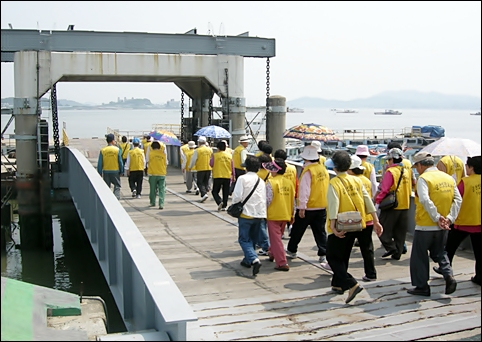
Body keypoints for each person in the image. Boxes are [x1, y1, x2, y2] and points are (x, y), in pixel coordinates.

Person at [326, 150, 383, 304]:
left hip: (340, 223)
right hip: (357, 222)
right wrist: (376, 220)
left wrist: (332, 225)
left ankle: (351, 284)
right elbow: (367, 200)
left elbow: (333, 204)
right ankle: (338, 285)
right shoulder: (358, 180)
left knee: (332, 256)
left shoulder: (334, 183)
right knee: (343, 255)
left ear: (335, 167)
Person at [408, 151, 461, 297]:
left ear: (420, 165)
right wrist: (449, 218)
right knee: (440, 252)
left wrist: (437, 217)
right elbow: (458, 199)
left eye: (416, 166)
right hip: (444, 226)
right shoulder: (448, 178)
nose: (416, 170)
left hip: (426, 224)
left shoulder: (424, 178)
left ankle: (422, 286)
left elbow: (425, 200)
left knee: (419, 256)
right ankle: (448, 276)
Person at [433, 155, 481, 286]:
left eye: (467, 166)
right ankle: (479, 277)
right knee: (479, 251)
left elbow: (454, 198)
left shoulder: (465, 182)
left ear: (471, 168)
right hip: (479, 223)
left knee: (449, 247)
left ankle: (445, 269)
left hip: (464, 221)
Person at [286, 145, 330, 271]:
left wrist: (301, 207)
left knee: (298, 230)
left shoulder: (308, 171)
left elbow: (305, 190)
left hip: (309, 206)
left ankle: (292, 249)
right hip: (321, 205)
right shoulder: (322, 169)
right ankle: (323, 253)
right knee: (320, 231)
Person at [232, 155, 267, 277]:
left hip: (246, 213)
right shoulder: (261, 181)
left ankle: (253, 259)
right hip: (259, 213)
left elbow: (237, 196)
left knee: (244, 239)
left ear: (246, 167)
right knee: (252, 238)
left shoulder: (242, 179)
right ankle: (247, 260)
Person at [375, 148, 412, 260]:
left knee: (381, 228)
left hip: (392, 205)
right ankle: (398, 252)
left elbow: (385, 189)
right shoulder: (406, 171)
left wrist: (378, 200)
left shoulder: (390, 172)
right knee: (400, 232)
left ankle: (391, 247)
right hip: (405, 204)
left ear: (391, 160)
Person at [347, 155, 378, 281]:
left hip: (353, 218)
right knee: (367, 248)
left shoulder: (350, 181)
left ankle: (341, 273)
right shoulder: (366, 180)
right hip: (368, 218)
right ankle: (371, 273)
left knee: (345, 248)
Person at [263, 158, 295, 271]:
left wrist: (262, 212)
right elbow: (293, 200)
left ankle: (282, 262)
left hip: (273, 214)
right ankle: (272, 252)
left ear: (276, 170)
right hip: (285, 213)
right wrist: (292, 214)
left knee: (276, 239)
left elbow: (267, 200)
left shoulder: (271, 182)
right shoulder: (289, 183)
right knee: (277, 237)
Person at [273, 149, 299, 239]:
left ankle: (281, 232)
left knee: (281, 213)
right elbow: (296, 181)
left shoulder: (275, 168)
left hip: (279, 192)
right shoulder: (292, 168)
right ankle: (290, 227)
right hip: (290, 192)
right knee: (290, 213)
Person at [97, 133, 124, 200]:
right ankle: (116, 199)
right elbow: (120, 162)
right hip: (115, 171)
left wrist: (99, 172)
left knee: (106, 187)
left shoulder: (103, 150)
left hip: (106, 171)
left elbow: (100, 163)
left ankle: (107, 199)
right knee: (117, 185)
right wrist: (121, 171)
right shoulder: (117, 150)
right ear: (112, 141)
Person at [210, 140, 234, 211]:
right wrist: (233, 175)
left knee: (214, 191)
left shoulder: (215, 155)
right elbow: (232, 166)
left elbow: (211, 164)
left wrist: (212, 158)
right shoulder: (230, 156)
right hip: (227, 175)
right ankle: (224, 206)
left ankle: (219, 201)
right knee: (225, 191)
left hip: (218, 175)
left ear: (218, 148)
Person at [189, 136, 213, 203]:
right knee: (206, 182)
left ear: (199, 142)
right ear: (205, 142)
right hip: (209, 168)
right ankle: (205, 193)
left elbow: (193, 160)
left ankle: (203, 194)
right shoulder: (210, 149)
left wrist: (190, 166)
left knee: (199, 182)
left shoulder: (197, 150)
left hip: (200, 168)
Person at [146, 140, 168, 209]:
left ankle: (152, 202)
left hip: (152, 173)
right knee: (162, 189)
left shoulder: (150, 154)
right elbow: (166, 163)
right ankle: (161, 204)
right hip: (161, 173)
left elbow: (147, 161)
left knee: (152, 189)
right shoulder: (163, 154)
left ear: (152, 147)